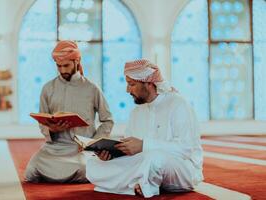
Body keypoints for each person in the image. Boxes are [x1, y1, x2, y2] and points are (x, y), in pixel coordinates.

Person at [86, 59, 203, 198]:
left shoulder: (178, 104)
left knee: (155, 159)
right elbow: (132, 150)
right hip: (145, 164)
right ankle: (142, 183)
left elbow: (185, 149)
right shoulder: (136, 111)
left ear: (148, 83)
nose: (127, 90)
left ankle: (144, 184)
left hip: (180, 169)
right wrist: (111, 154)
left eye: (131, 84)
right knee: (93, 165)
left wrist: (144, 145)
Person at [25, 40, 114, 183]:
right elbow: (43, 122)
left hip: (80, 149)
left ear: (77, 61)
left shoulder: (92, 88)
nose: (62, 70)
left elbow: (107, 120)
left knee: (83, 169)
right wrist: (52, 129)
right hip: (53, 148)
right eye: (58, 66)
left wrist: (93, 143)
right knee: (31, 171)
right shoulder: (48, 88)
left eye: (66, 65)